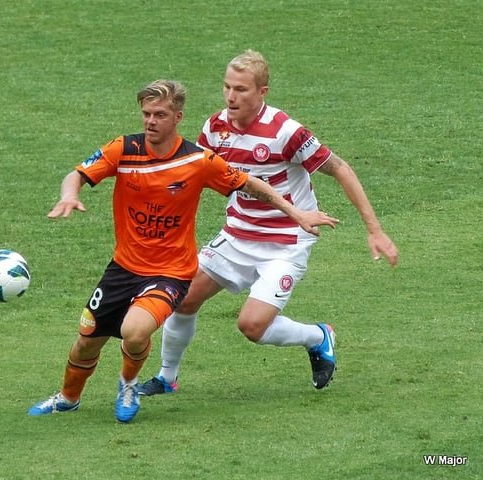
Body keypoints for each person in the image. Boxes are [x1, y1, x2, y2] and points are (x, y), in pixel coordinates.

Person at [27, 79, 338, 423]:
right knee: (86, 341)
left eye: (159, 114)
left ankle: (128, 384)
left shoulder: (198, 160)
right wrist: (69, 194)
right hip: (122, 269)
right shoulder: (123, 149)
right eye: (146, 113)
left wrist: (296, 213)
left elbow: (249, 184)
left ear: (177, 117)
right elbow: (78, 174)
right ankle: (68, 398)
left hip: (170, 273)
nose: (150, 121)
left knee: (135, 331)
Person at [138, 50, 399, 397]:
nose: (231, 97)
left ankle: (319, 336)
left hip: (287, 241)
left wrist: (375, 230)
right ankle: (167, 377)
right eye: (227, 87)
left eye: (241, 90)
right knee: (182, 299)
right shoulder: (215, 128)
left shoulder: (286, 132)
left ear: (262, 92)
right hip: (237, 235)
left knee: (252, 325)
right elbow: (195, 175)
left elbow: (340, 168)